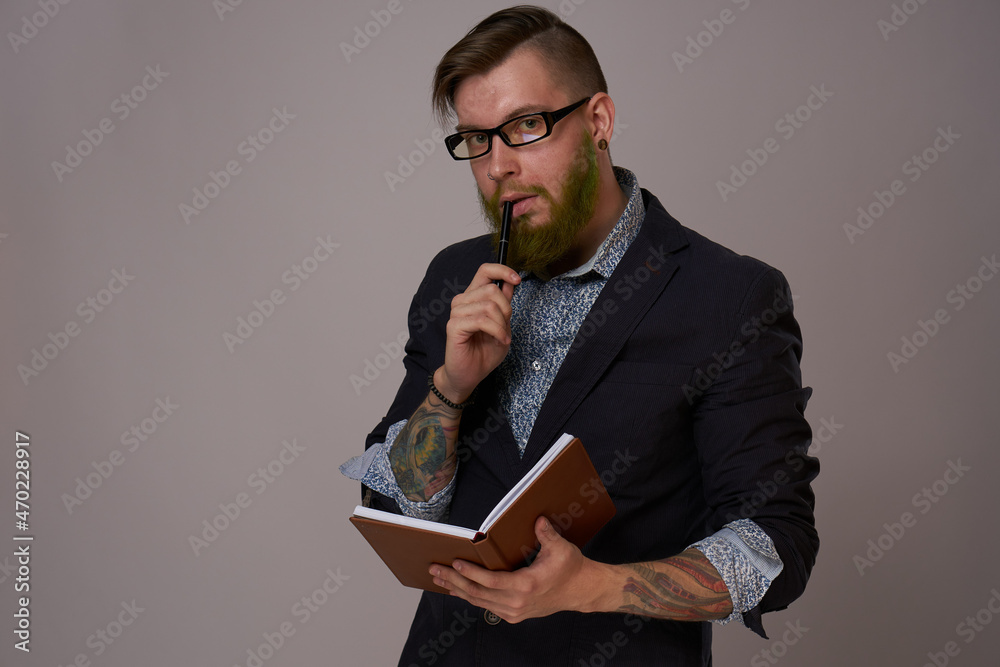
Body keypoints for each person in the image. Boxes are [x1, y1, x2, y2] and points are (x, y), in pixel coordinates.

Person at [341, 6, 819, 665]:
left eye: (525, 126)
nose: (497, 166)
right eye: (476, 138)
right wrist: (450, 389)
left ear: (598, 121)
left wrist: (593, 585)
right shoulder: (454, 276)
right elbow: (396, 510)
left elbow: (774, 543)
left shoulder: (730, 297)